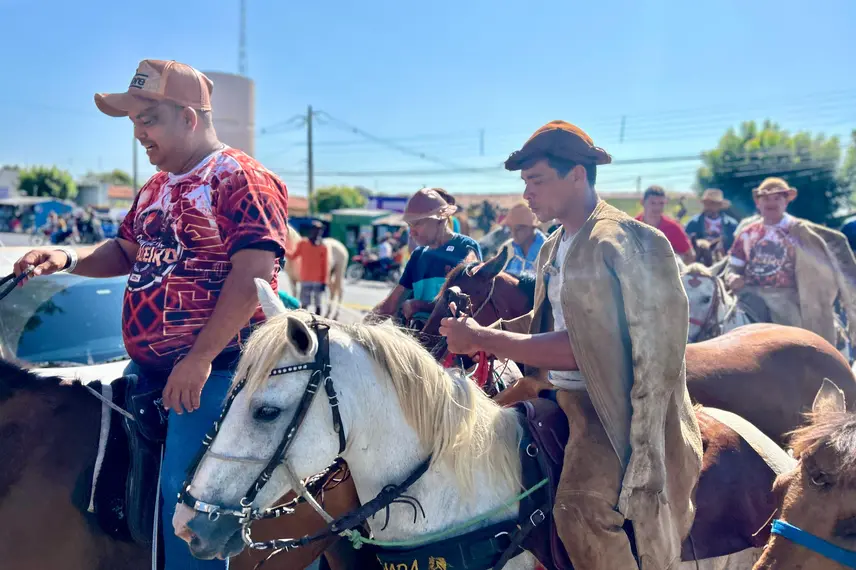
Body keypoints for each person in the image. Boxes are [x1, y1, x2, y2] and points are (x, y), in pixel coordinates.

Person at [14, 59, 291, 570]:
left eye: (149, 119)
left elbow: (253, 275)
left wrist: (199, 359)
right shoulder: (156, 187)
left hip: (220, 372)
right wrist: (67, 258)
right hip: (150, 370)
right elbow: (125, 250)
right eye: (134, 122)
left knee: (187, 504)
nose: (139, 133)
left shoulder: (242, 178)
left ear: (188, 117)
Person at [439, 120, 702, 570]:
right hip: (554, 390)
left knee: (580, 510)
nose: (527, 194)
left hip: (611, 408)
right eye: (525, 183)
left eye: (537, 181)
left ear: (577, 175)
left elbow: (586, 349)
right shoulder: (554, 246)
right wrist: (487, 332)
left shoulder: (626, 240)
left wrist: (484, 337)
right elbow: (553, 321)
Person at [726, 177, 856, 348]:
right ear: (758, 203)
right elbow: (733, 266)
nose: (771, 202)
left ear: (786, 201)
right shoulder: (747, 233)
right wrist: (733, 277)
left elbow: (828, 259)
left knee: (795, 341)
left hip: (789, 297)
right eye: (766, 198)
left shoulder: (802, 232)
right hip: (750, 295)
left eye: (777, 198)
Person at [368, 187, 481, 324]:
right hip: (416, 335)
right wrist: (359, 329)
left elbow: (472, 302)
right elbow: (390, 305)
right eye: (409, 225)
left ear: (441, 220)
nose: (411, 233)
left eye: (417, 224)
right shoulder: (418, 255)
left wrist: (420, 306)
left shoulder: (466, 247)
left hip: (449, 336)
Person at [636, 185, 695, 265]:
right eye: (653, 203)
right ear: (642, 202)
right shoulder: (632, 226)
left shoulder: (673, 228)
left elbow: (690, 255)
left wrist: (675, 265)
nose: (657, 207)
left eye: (661, 203)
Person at [286, 221, 329, 315]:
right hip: (306, 279)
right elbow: (293, 256)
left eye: (319, 230)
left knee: (318, 303)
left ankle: (318, 320)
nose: (317, 232)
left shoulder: (323, 247)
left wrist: (324, 281)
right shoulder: (303, 243)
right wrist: (284, 250)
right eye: (315, 230)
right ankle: (303, 319)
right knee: (304, 303)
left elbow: (325, 266)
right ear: (311, 230)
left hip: (318, 281)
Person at [684, 188, 738, 253]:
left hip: (724, 257)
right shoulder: (693, 223)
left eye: (712, 203)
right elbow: (686, 243)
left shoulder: (732, 224)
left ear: (719, 205)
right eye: (706, 203)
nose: (708, 206)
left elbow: (736, 246)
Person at [501, 201, 546, 278]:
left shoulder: (548, 250)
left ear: (532, 227)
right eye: (510, 229)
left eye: (518, 229)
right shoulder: (507, 248)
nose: (513, 234)